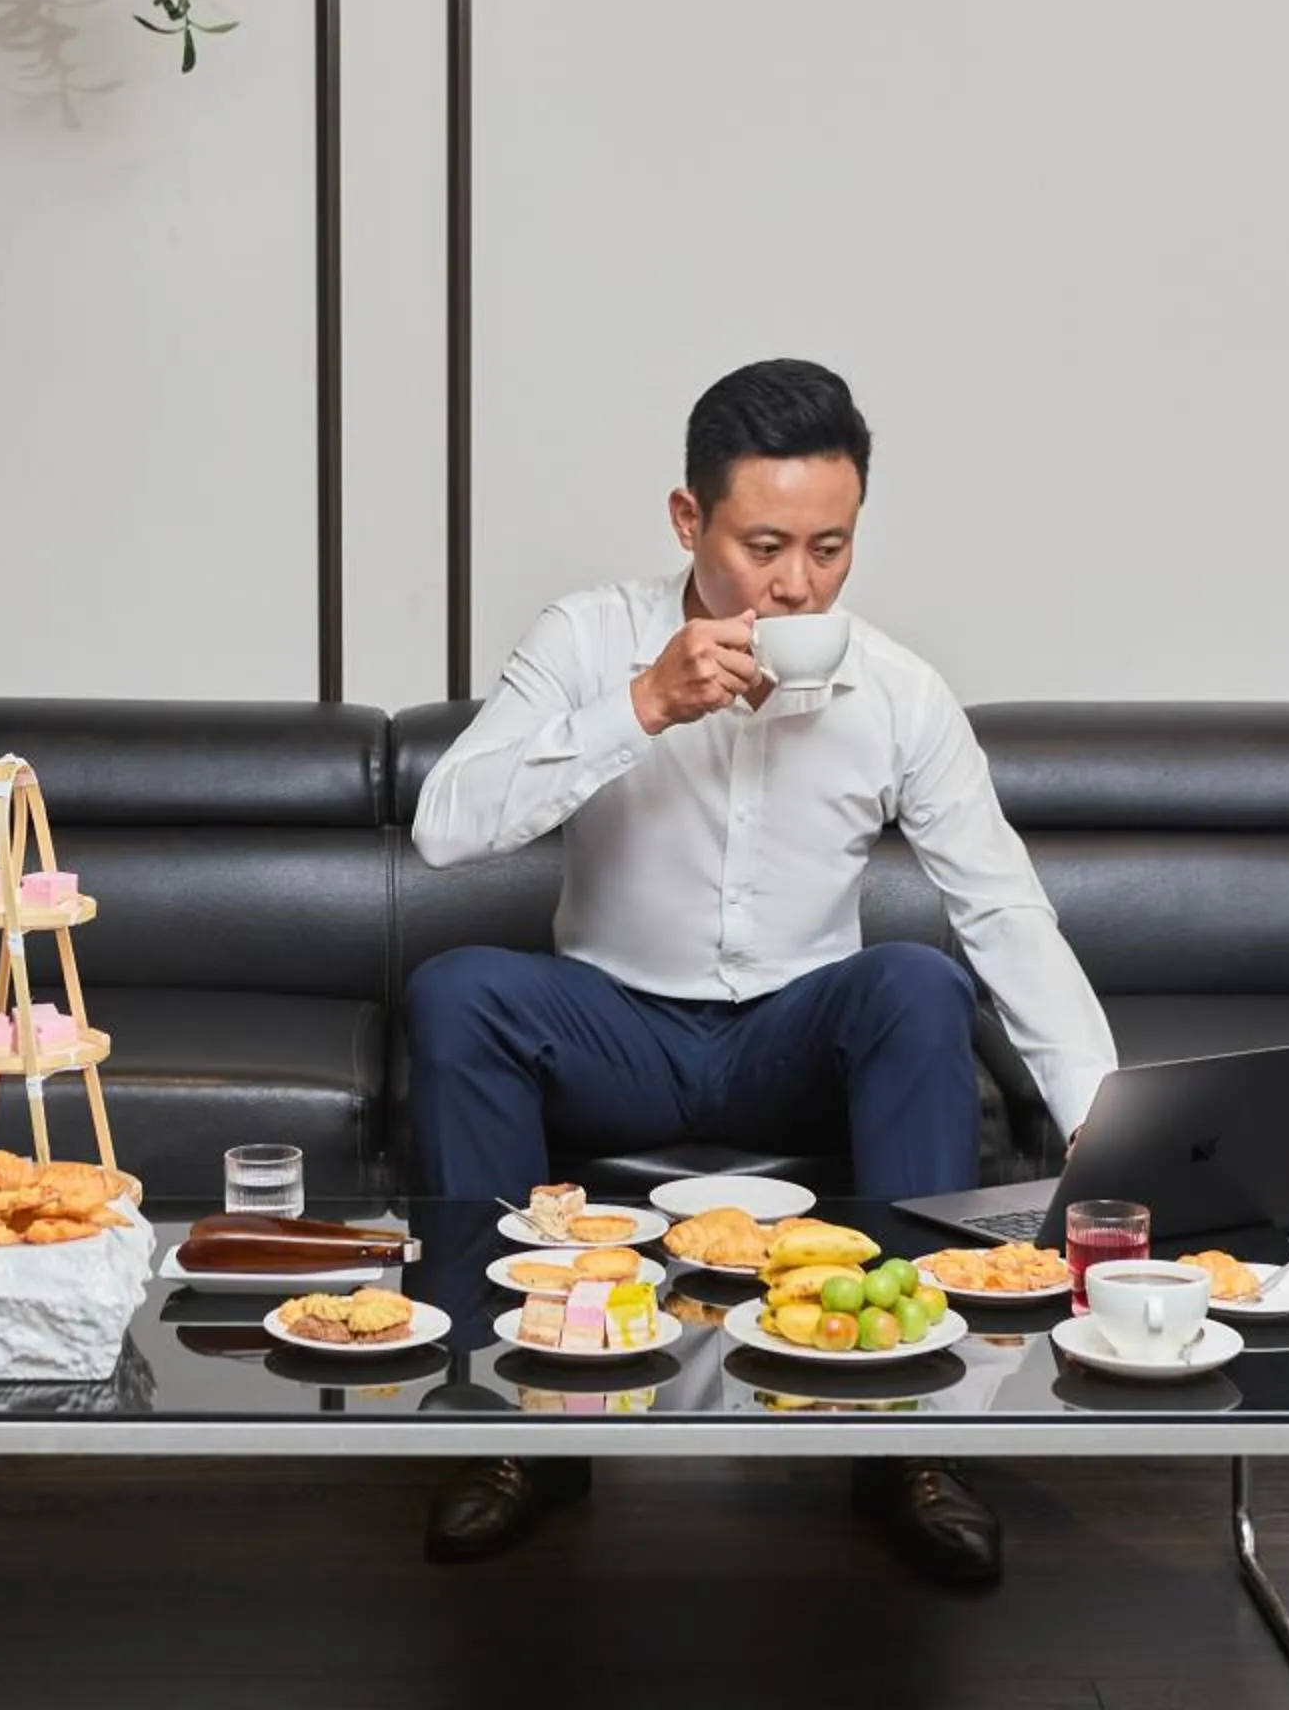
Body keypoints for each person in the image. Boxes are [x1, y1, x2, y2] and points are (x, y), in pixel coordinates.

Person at [403, 357, 1118, 1581]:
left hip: (797, 1039)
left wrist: (1107, 1124)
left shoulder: (898, 690)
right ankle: (516, 1415)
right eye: (765, 545)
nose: (797, 584)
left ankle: (910, 1436)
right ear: (689, 520)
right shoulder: (589, 636)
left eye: (830, 548)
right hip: (615, 1030)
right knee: (458, 988)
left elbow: (1002, 906)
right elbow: (444, 827)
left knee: (917, 982)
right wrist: (639, 705)